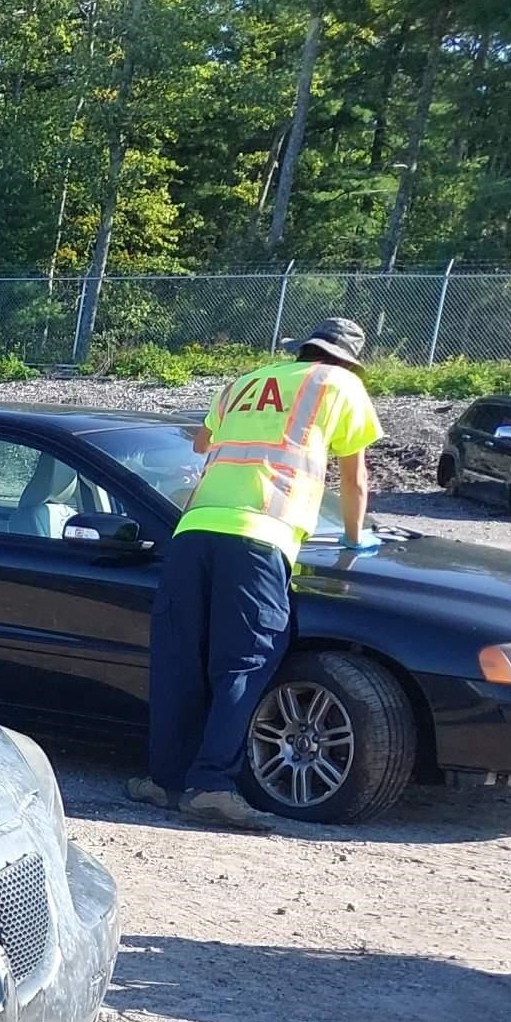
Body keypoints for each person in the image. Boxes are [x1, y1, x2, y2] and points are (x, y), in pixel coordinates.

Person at [130, 317, 384, 830]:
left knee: (182, 657)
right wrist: (357, 538)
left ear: (302, 351)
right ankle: (212, 787)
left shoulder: (246, 381)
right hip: (261, 534)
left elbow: (203, 444)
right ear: (348, 359)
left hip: (194, 531)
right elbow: (353, 477)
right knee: (245, 661)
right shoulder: (340, 385)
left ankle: (164, 780)